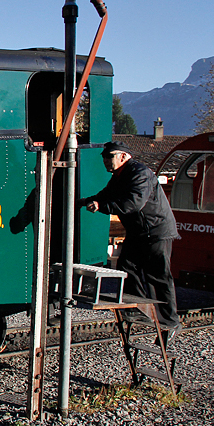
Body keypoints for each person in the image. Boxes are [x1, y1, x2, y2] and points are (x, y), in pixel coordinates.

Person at [79, 141, 182, 343]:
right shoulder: (119, 176)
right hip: (139, 231)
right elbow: (105, 195)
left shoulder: (139, 174)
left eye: (109, 156)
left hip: (156, 231)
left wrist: (101, 206)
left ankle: (170, 322)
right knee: (127, 266)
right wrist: (82, 202)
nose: (105, 161)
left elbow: (132, 204)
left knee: (158, 277)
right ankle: (138, 310)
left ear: (123, 156)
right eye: (104, 157)